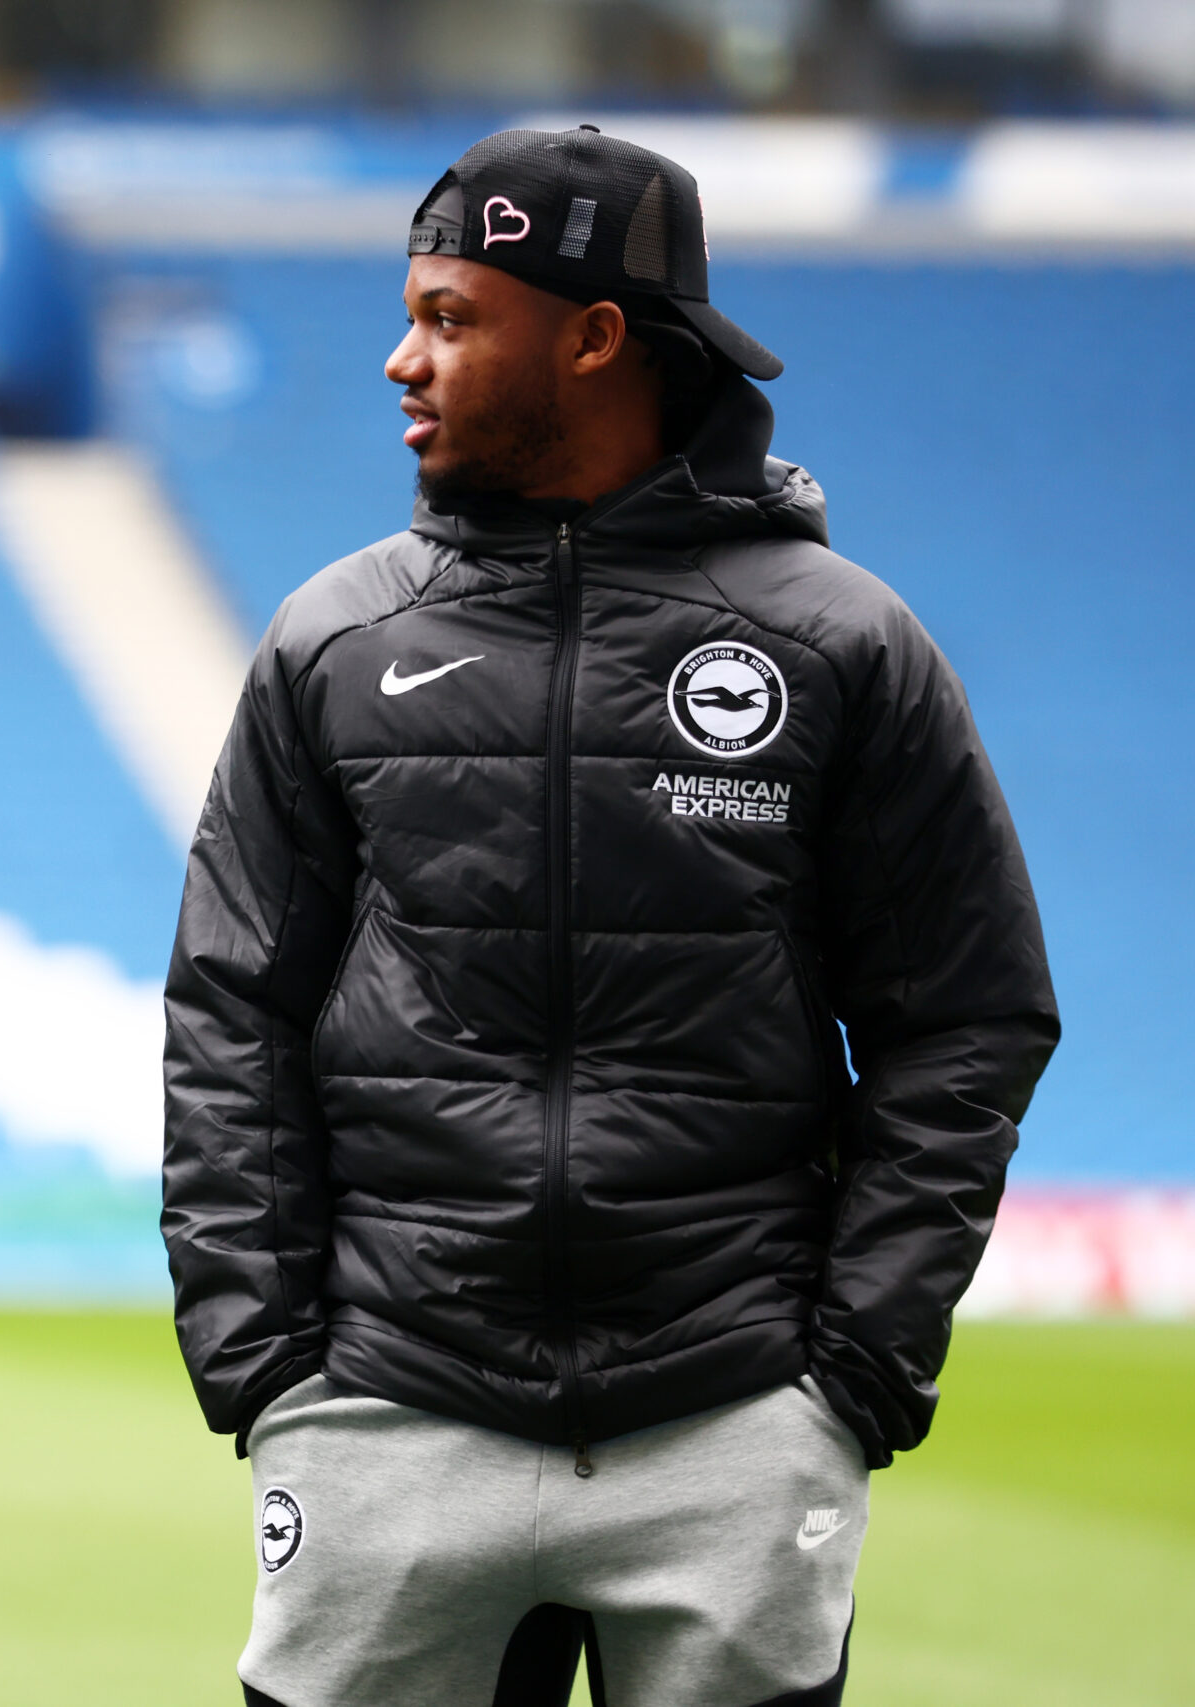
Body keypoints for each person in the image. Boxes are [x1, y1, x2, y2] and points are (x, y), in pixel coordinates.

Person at [160, 126, 1058, 1707]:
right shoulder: (334, 641)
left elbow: (966, 1017)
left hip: (731, 1427)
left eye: (450, 317)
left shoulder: (843, 645)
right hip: (387, 1417)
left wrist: (850, 1372)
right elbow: (231, 1014)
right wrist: (270, 1368)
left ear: (591, 340)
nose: (400, 358)